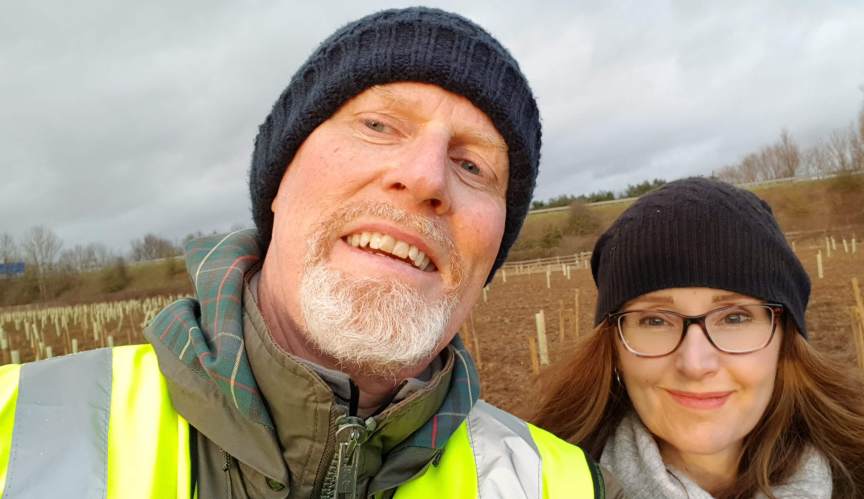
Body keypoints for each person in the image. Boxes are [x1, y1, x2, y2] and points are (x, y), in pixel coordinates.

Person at [0, 8, 613, 498]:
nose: (426, 177)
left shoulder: (559, 485)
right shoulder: (18, 427)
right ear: (278, 183)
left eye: (474, 165)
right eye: (378, 125)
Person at [532, 177, 864, 498]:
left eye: (734, 317)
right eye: (654, 320)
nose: (695, 363)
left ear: (785, 339)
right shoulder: (536, 485)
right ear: (614, 348)